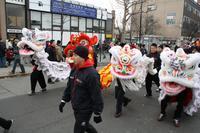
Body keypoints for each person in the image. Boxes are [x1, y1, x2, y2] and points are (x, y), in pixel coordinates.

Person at [59, 46, 104, 133]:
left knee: (78, 130)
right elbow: (69, 86)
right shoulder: (75, 69)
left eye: (75, 55)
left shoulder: (92, 74)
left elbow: (96, 94)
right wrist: (64, 100)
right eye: (73, 55)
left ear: (83, 57)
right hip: (76, 106)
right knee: (85, 125)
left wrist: (97, 112)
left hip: (85, 109)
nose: (73, 57)